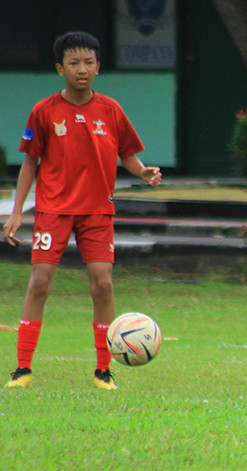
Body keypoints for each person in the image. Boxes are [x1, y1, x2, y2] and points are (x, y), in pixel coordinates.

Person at [4, 31, 161, 390]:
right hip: (53, 209)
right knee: (40, 282)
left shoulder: (111, 110)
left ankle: (103, 370)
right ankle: (23, 368)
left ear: (98, 67)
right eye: (74, 63)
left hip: (97, 212)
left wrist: (143, 171)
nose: (82, 69)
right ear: (60, 69)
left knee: (103, 284)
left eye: (89, 62)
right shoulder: (44, 111)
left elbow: (127, 155)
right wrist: (17, 212)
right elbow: (30, 162)